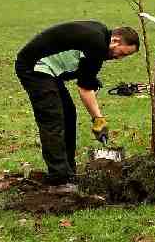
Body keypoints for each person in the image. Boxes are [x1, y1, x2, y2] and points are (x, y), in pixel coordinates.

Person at [15, 21, 140, 185]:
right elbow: (85, 89)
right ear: (115, 40)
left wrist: (89, 77)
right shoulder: (97, 44)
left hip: (51, 71)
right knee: (53, 118)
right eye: (122, 53)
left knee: (68, 114)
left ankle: (68, 170)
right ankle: (59, 178)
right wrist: (98, 119)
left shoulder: (100, 34)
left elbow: (79, 58)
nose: (119, 58)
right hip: (33, 68)